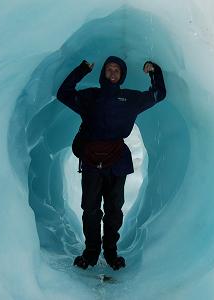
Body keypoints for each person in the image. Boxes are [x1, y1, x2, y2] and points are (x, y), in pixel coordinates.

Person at [56, 56, 166, 270]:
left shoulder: (130, 99)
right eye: (109, 69)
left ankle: (111, 252)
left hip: (117, 160)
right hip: (91, 161)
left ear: (122, 75)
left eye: (117, 70)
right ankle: (91, 253)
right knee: (90, 209)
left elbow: (158, 94)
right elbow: (64, 94)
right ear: (103, 73)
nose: (113, 72)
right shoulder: (90, 97)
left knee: (114, 209)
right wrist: (82, 69)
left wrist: (155, 71)